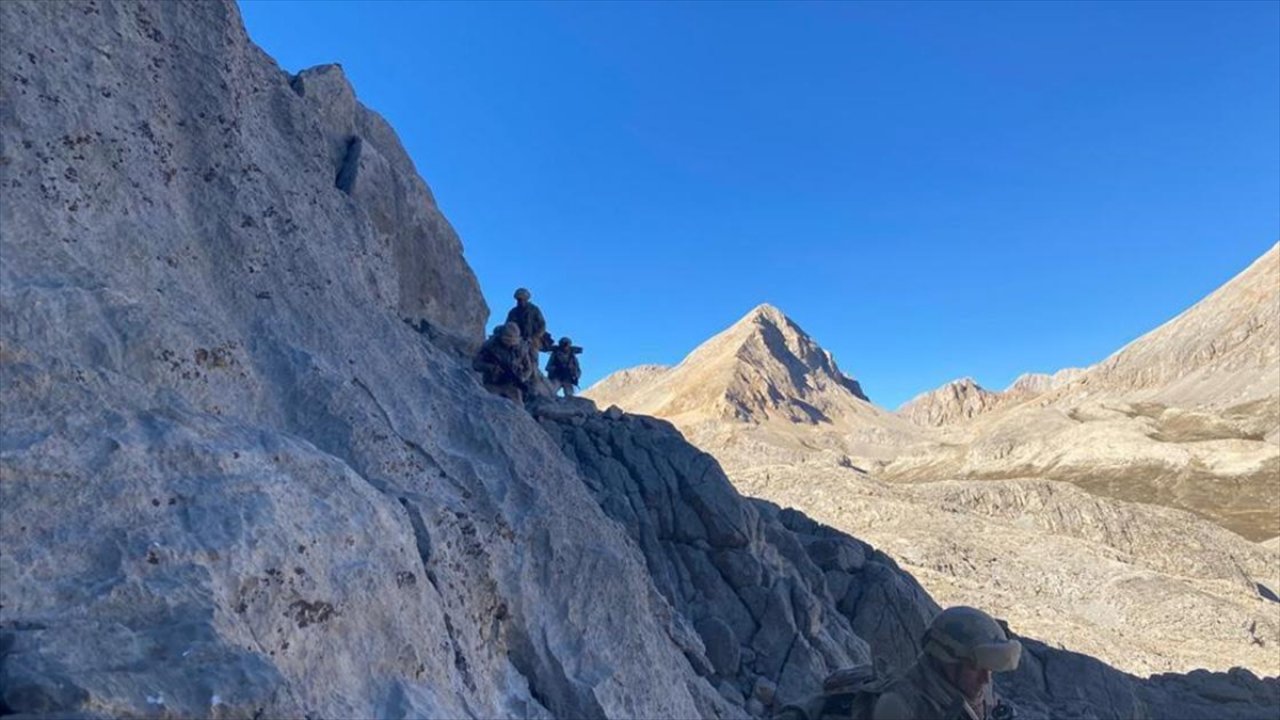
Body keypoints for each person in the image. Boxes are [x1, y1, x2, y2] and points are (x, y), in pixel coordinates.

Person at [871, 606, 1021, 720]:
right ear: (947, 661)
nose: (986, 679)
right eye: (975, 668)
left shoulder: (976, 690)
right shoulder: (900, 705)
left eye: (989, 670)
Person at [472, 322, 533, 404]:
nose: (509, 344)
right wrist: (491, 368)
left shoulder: (521, 349)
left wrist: (522, 377)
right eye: (507, 340)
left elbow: (528, 368)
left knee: (518, 408)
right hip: (492, 383)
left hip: (512, 386)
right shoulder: (490, 345)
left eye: (512, 341)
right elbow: (476, 364)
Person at [505, 288, 548, 369]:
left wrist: (535, 336)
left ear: (526, 299)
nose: (520, 301)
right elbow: (507, 325)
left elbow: (542, 325)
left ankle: (533, 374)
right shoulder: (513, 312)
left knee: (532, 358)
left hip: (532, 339)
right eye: (518, 299)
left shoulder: (534, 310)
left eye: (522, 299)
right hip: (516, 339)